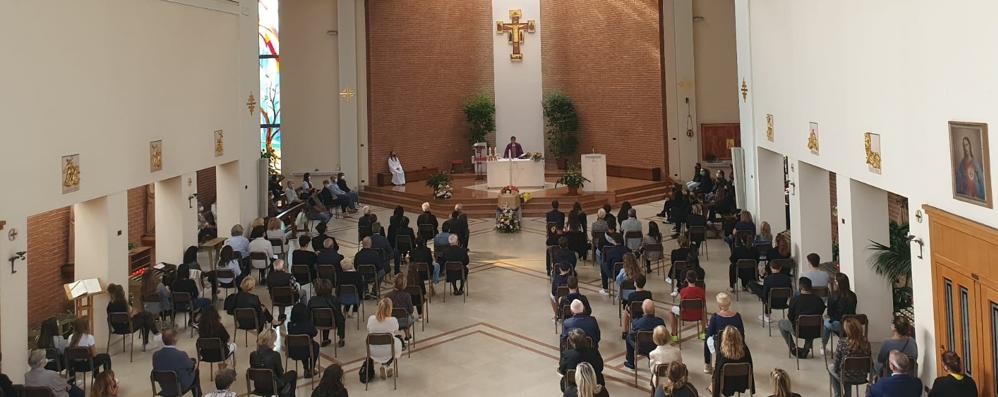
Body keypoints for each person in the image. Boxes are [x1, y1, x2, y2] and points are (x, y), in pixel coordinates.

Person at [778, 277, 826, 358]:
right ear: (811, 287)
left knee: (781, 323)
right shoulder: (819, 300)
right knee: (811, 322)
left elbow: (790, 316)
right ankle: (806, 348)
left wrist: (794, 322)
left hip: (798, 330)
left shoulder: (794, 300)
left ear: (800, 287)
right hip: (816, 331)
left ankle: (792, 348)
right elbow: (820, 313)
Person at [106, 283, 161, 348]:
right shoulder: (122, 304)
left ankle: (153, 336)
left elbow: (120, 317)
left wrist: (132, 313)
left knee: (146, 315)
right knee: (146, 317)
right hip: (127, 327)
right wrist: (133, 313)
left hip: (117, 328)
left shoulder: (110, 306)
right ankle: (152, 336)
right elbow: (127, 318)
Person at [827, 318, 872, 397]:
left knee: (832, 368)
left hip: (846, 377)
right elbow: (870, 364)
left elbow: (836, 364)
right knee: (848, 370)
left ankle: (838, 394)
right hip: (862, 377)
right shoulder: (866, 343)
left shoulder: (842, 343)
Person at [152, 330, 202, 397]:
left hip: (164, 387)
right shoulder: (181, 355)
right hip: (179, 386)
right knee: (196, 370)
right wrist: (194, 362)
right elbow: (192, 366)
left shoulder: (155, 355)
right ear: (175, 339)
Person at [704, 292, 744, 374]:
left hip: (720, 345)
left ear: (719, 305)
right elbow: (742, 334)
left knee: (706, 337)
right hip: (736, 344)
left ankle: (707, 364)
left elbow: (709, 334)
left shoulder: (715, 317)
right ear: (729, 303)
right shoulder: (737, 316)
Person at [250, 328, 297, 397]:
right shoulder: (275, 355)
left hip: (259, 387)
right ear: (271, 341)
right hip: (273, 387)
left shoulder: (253, 355)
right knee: (293, 374)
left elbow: (252, 375)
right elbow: (280, 374)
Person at [710, 326, 753, 397]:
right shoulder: (745, 351)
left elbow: (717, 374)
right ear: (739, 337)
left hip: (725, 385)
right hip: (742, 382)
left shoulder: (722, 354)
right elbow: (751, 367)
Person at [821, 273, 857, 354]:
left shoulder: (833, 296)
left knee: (826, 323)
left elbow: (829, 313)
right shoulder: (853, 295)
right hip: (852, 324)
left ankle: (823, 346)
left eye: (834, 281)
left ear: (837, 283)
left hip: (839, 325)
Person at [368, 298, 404, 379]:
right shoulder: (393, 320)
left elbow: (369, 329)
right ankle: (386, 365)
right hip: (389, 351)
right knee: (399, 342)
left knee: (388, 343)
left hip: (373, 351)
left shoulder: (371, 319)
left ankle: (385, 366)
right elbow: (396, 330)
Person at [625, 299, 666, 369]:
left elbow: (633, 334)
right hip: (656, 348)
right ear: (654, 310)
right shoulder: (660, 322)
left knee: (629, 336)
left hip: (641, 348)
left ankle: (630, 361)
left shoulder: (637, 322)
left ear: (643, 310)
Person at [667, 271, 707, 340]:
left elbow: (681, 305)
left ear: (686, 279)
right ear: (696, 279)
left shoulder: (683, 291)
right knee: (704, 311)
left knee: (671, 311)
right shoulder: (701, 291)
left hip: (684, 314)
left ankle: (674, 335)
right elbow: (704, 305)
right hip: (698, 314)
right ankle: (703, 334)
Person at [307, 279, 346, 348]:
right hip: (331, 322)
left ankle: (325, 339)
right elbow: (338, 314)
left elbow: (308, 313)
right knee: (341, 318)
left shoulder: (312, 300)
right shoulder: (334, 299)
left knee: (323, 317)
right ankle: (341, 338)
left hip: (316, 322)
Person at [286, 303, 320, 378]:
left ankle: (305, 369)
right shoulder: (308, 325)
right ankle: (311, 368)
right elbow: (315, 332)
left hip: (293, 351)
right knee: (315, 346)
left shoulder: (290, 325)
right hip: (307, 350)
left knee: (302, 345)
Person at [386, 274, 415, 340]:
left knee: (403, 315)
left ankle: (392, 336)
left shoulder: (387, 295)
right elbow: (411, 310)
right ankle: (408, 335)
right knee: (409, 315)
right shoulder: (407, 295)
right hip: (404, 322)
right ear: (404, 284)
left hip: (391, 321)